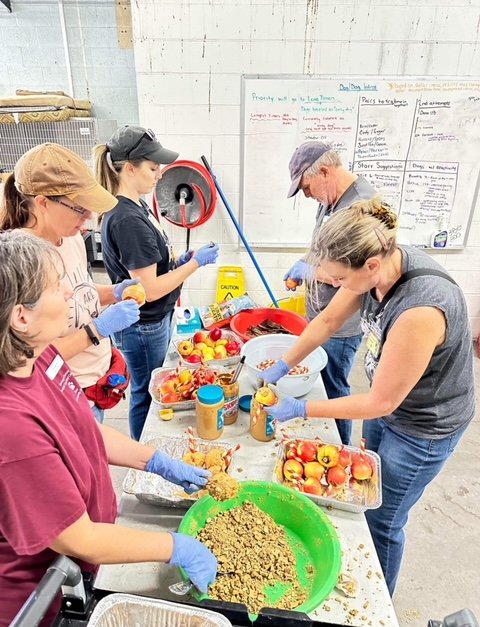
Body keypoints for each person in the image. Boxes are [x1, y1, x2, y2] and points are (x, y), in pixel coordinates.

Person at [0, 231, 217, 627]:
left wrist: (153, 460)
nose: (69, 292)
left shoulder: (37, 355)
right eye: (53, 286)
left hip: (74, 573)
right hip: (38, 605)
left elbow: (82, 430)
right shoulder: (11, 429)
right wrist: (174, 548)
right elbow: (80, 539)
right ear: (21, 317)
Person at [262, 198, 475, 595]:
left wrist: (300, 408)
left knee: (385, 519)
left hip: (424, 426)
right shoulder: (375, 265)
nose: (337, 286)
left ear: (371, 267)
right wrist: (279, 366)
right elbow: (326, 320)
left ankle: (378, 609)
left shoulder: (421, 308)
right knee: (363, 494)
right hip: (391, 406)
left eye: (340, 279)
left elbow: (381, 402)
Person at [94, 126, 220, 440]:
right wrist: (194, 264)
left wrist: (177, 261)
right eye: (152, 167)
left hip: (154, 321)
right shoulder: (128, 220)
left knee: (149, 390)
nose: (159, 174)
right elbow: (148, 290)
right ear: (129, 168)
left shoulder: (137, 208)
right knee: (147, 395)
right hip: (144, 326)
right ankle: (143, 454)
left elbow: (150, 270)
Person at [0, 143, 141, 423]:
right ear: (42, 203)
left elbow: (80, 293)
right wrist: (97, 329)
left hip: (96, 376)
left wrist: (113, 292)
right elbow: (31, 359)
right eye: (79, 209)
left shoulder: (72, 237)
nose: (88, 220)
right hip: (64, 391)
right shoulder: (18, 263)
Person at [283, 142, 376, 445]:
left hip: (341, 326)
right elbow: (324, 249)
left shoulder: (360, 207)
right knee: (320, 384)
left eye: (306, 188)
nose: (306, 196)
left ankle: (339, 446)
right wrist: (307, 263)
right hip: (321, 316)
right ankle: (321, 439)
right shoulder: (330, 200)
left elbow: (352, 272)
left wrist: (311, 273)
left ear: (324, 172)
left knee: (334, 388)